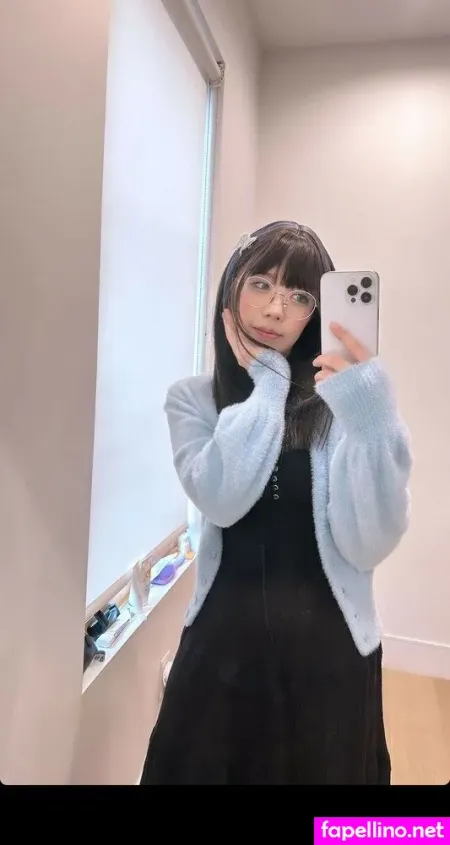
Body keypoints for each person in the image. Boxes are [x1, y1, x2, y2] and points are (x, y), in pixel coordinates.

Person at [140, 220, 412, 785]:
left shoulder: (343, 406)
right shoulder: (192, 400)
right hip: (221, 655)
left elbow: (369, 543)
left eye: (299, 296)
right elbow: (222, 498)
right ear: (232, 287)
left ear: (316, 313)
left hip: (329, 659)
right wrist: (268, 383)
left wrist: (370, 415)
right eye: (261, 284)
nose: (275, 310)